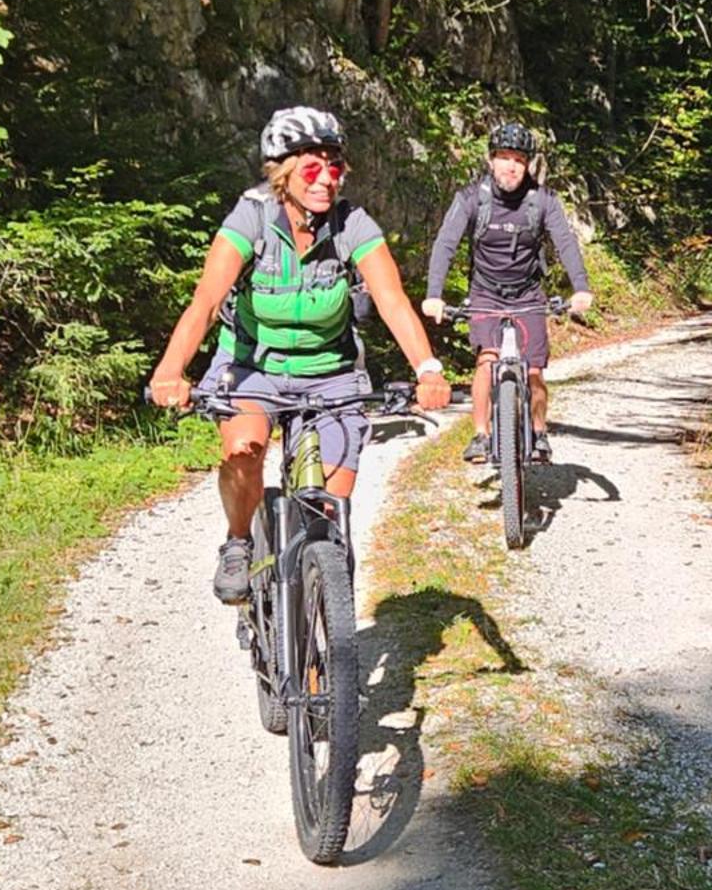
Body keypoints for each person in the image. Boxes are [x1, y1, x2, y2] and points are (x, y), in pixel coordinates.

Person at [149, 105, 451, 602]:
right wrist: (170, 371)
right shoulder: (252, 217)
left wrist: (428, 368)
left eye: (335, 167)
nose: (326, 178)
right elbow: (204, 303)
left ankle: (324, 614)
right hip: (251, 368)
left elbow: (393, 301)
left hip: (330, 373)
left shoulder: (351, 223)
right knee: (244, 453)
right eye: (312, 167)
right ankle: (239, 540)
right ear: (283, 174)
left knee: (332, 508)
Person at [421, 121, 592, 465]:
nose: (510, 166)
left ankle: (539, 433)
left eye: (518, 159)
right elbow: (445, 243)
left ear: (528, 164)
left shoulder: (543, 200)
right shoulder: (471, 198)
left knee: (533, 372)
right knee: (487, 361)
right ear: (491, 160)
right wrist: (434, 293)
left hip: (528, 294)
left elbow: (566, 243)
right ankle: (481, 435)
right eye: (503, 157)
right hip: (485, 293)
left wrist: (581, 288)